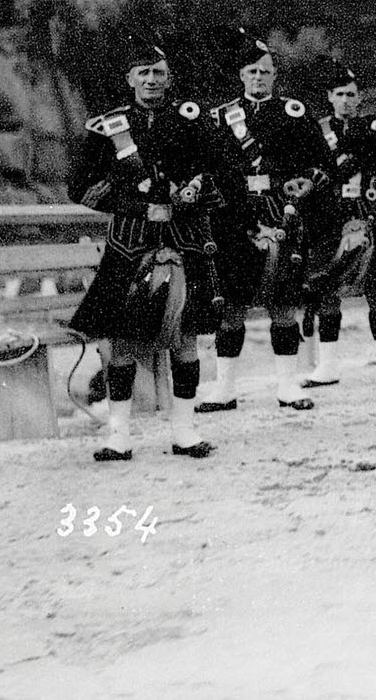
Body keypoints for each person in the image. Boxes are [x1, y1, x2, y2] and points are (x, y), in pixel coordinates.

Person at [68, 35, 247, 461]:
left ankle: (185, 432)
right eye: (144, 73)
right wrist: (134, 203)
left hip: (184, 242)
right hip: (130, 244)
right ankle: (119, 436)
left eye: (159, 73)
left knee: (185, 339)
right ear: (130, 78)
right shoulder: (106, 126)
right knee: (123, 343)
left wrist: (196, 192)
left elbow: (229, 175)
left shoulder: (194, 120)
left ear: (170, 78)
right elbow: (80, 187)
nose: (152, 80)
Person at [196, 33, 337, 413]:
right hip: (234, 217)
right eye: (252, 70)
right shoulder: (220, 117)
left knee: (283, 303)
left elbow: (323, 164)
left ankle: (288, 386)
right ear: (241, 75)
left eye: (266, 71)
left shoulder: (293, 112)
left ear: (275, 75)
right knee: (232, 305)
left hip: (282, 213)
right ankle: (224, 389)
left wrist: (307, 182)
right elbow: (205, 166)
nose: (259, 76)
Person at [300, 60, 376, 388]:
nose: (346, 100)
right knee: (327, 287)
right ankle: (328, 366)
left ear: (359, 97)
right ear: (329, 97)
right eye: (340, 95)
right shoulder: (317, 131)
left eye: (351, 94)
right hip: (330, 214)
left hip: (368, 208)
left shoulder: (374, 127)